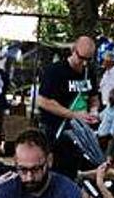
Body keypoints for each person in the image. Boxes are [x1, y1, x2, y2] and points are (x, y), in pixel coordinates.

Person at [36, 36, 99, 178]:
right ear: (73, 50)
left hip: (81, 133)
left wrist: (94, 111)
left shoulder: (90, 72)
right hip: (57, 132)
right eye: (81, 57)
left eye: (88, 59)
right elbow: (43, 101)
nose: (83, 63)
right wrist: (74, 115)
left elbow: (94, 98)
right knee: (58, 172)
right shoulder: (55, 71)